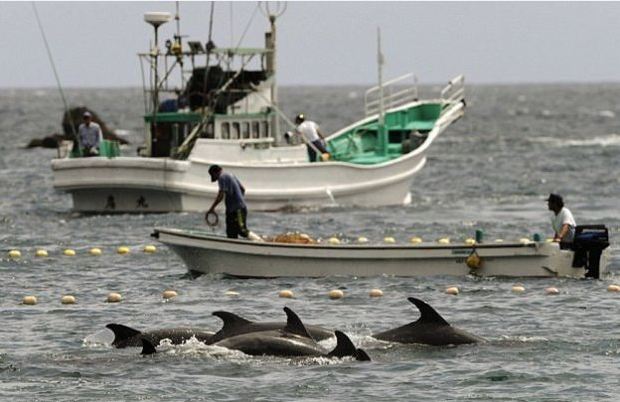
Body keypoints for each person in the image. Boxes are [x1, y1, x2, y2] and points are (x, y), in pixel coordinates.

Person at [206, 165, 249, 239]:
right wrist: (238, 200)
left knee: (242, 230)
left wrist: (212, 208)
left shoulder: (222, 177)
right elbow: (243, 189)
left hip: (237, 210)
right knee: (231, 233)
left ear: (215, 173)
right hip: (234, 210)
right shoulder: (231, 175)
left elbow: (220, 196)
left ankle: (259, 241)